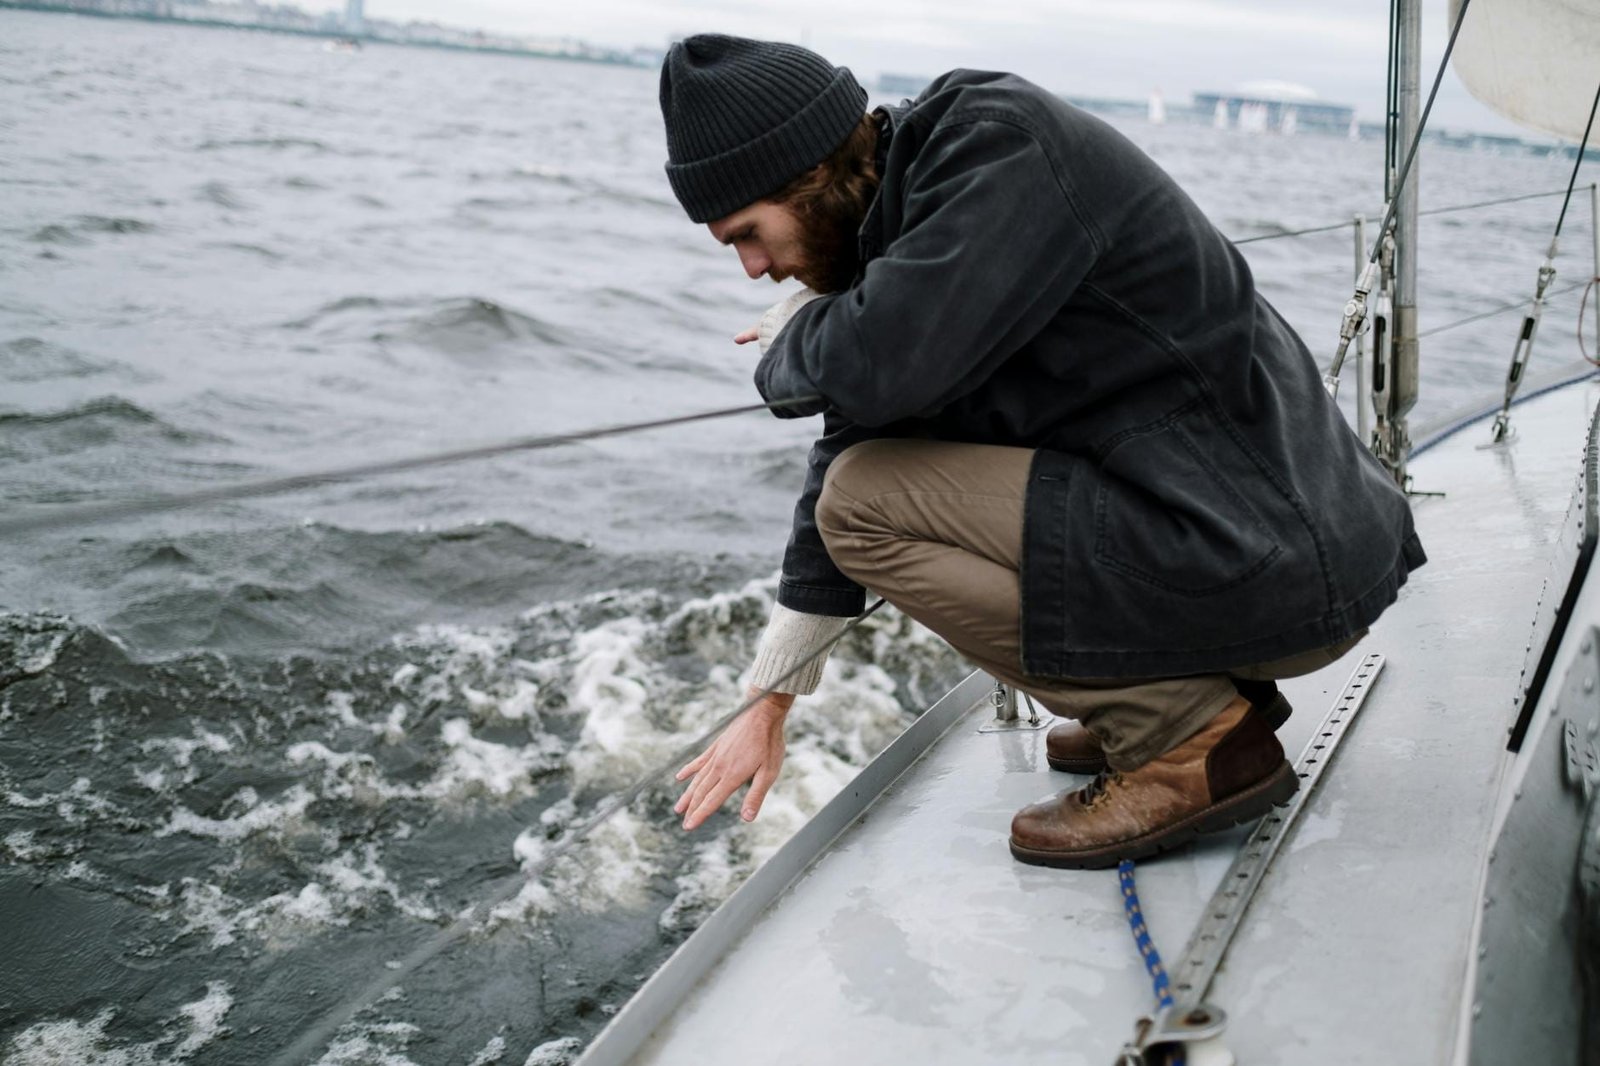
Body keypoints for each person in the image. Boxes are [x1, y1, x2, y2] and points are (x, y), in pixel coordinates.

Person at [658, 34, 1424, 869]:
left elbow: (876, 370)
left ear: (810, 176)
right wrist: (770, 701)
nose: (753, 269)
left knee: (863, 508)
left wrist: (795, 335)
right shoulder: (915, 222)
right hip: (1261, 544)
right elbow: (857, 422)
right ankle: (1198, 691)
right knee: (854, 486)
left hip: (1281, 564)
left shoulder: (995, 147)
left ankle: (1182, 736)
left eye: (748, 234)